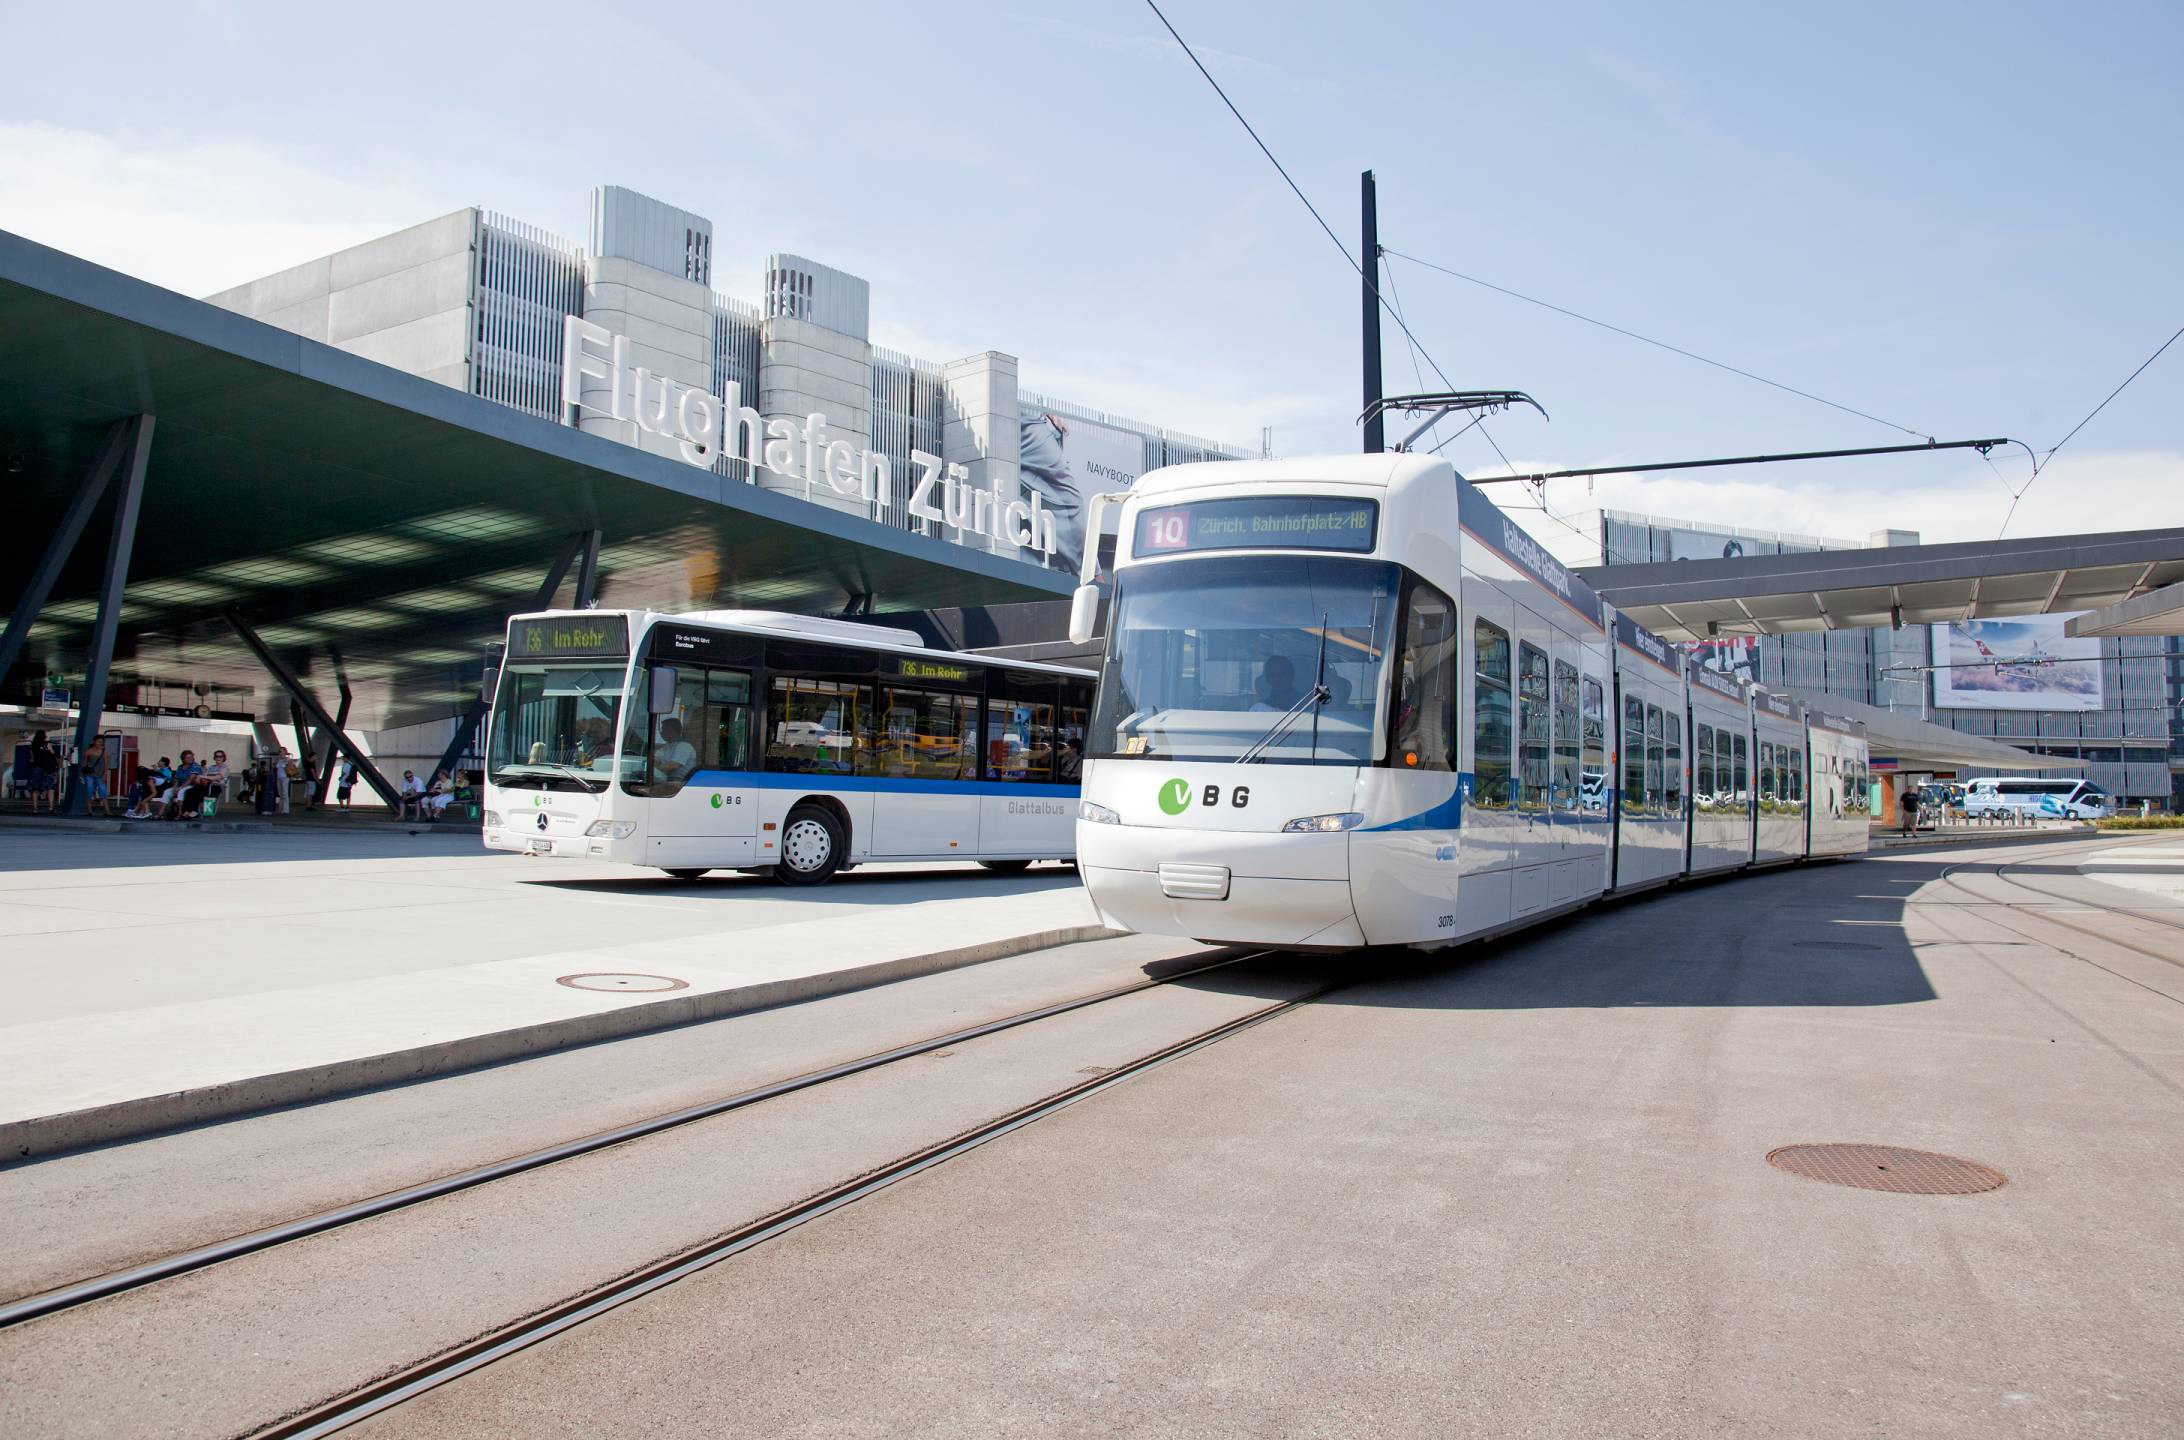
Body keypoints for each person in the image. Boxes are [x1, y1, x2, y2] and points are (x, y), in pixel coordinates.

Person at [178, 749, 230, 819]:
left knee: (199, 792)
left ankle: (195, 811)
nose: (218, 758)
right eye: (217, 756)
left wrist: (202, 776)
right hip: (206, 785)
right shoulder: (211, 767)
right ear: (214, 757)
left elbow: (217, 777)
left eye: (220, 756)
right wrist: (199, 779)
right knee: (190, 791)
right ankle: (187, 811)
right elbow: (204, 777)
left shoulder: (225, 767)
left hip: (216, 787)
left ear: (224, 758)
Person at [154, 750, 202, 820]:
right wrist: (175, 787)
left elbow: (190, 779)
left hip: (191, 786)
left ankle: (180, 814)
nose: (190, 759)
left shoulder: (195, 766)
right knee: (167, 792)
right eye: (188, 757)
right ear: (183, 759)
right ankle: (160, 813)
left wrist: (179, 788)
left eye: (191, 757)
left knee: (181, 792)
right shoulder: (180, 767)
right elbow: (176, 779)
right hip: (180, 785)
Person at [25, 730, 61, 814]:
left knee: (35, 789)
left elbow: (32, 758)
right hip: (48, 769)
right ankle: (51, 808)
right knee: (50, 788)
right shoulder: (47, 744)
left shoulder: (33, 746)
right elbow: (53, 753)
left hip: (37, 768)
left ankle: (35, 809)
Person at [651, 718, 697, 784]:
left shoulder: (684, 746)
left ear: (671, 730)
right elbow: (655, 760)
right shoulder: (667, 746)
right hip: (667, 779)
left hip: (681, 781)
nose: (661, 732)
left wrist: (654, 769)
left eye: (663, 729)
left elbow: (672, 766)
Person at [78, 736, 115, 817]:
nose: (100, 743)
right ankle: (89, 811)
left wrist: (105, 775)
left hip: (99, 774)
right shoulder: (88, 752)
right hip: (89, 774)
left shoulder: (104, 752)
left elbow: (106, 764)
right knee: (89, 791)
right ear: (94, 742)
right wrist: (82, 775)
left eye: (101, 742)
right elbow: (84, 764)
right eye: (98, 741)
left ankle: (107, 811)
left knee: (103, 792)